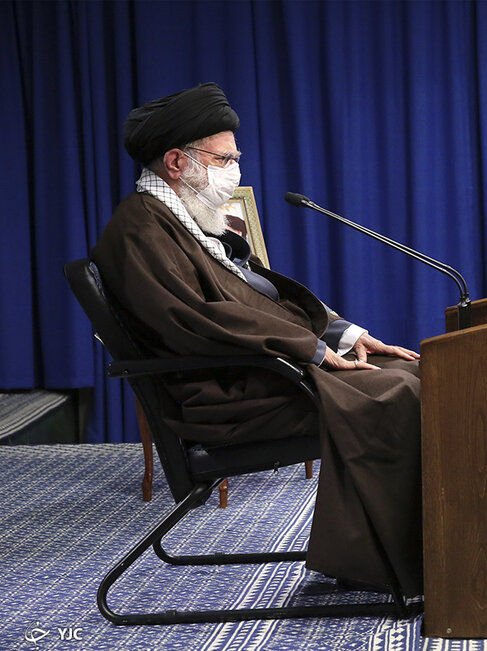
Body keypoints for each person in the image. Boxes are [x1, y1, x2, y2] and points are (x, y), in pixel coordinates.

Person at [91, 83, 424, 595]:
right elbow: (198, 322)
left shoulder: (185, 218)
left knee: (415, 371)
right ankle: (380, 560)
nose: (234, 171)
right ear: (177, 162)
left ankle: (401, 549)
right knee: (398, 391)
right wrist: (314, 351)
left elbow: (255, 299)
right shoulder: (140, 230)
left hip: (259, 373)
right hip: (225, 397)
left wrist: (344, 334)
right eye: (224, 159)